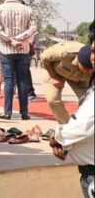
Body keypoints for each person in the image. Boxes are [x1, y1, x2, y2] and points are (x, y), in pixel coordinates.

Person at [49, 23, 94, 198]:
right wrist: (53, 76)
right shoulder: (60, 54)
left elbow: (84, 126)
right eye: (94, 51)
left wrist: (58, 137)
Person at [0, 0, 36, 120]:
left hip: (6, 49)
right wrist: (20, 38)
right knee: (22, 79)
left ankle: (7, 112)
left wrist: (11, 40)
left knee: (9, 80)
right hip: (23, 48)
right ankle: (24, 112)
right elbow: (33, 28)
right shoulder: (28, 10)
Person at [41, 41, 93, 124]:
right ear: (79, 61)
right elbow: (44, 57)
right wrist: (54, 76)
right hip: (55, 71)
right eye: (86, 69)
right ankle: (65, 125)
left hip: (79, 78)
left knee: (89, 100)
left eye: (91, 70)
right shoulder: (65, 52)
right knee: (52, 99)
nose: (89, 72)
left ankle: (86, 126)